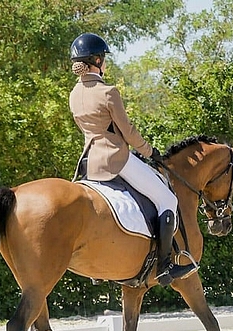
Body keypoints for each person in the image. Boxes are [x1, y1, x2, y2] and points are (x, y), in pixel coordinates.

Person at [69, 33, 197, 286]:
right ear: (96, 60)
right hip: (116, 158)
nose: (105, 63)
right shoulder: (108, 92)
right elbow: (127, 132)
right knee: (167, 199)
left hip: (89, 161)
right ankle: (164, 266)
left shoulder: (74, 93)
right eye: (103, 59)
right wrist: (150, 152)